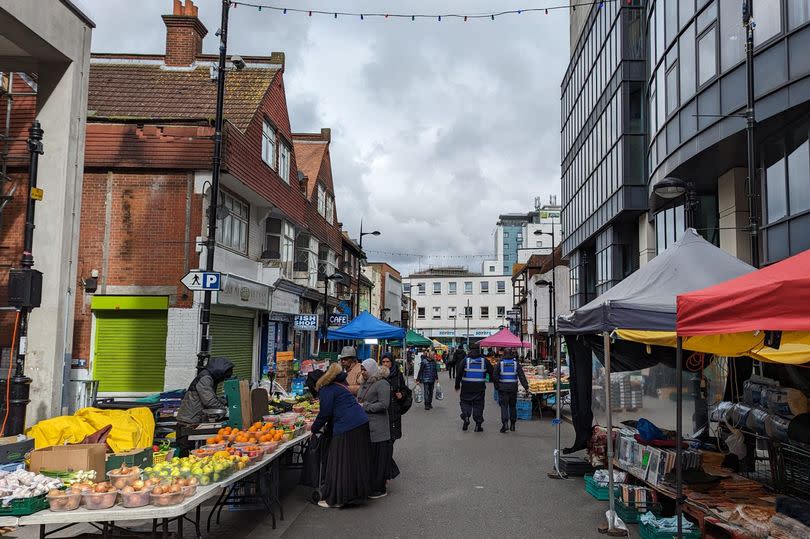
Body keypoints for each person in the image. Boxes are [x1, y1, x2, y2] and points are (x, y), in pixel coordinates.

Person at [312, 362, 372, 508]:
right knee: (355, 461)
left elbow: (325, 412)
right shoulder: (340, 386)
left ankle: (338, 498)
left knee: (339, 461)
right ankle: (356, 494)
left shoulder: (326, 389)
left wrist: (314, 428)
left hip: (347, 426)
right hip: (361, 422)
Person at [176, 357, 234, 456]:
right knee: (186, 454)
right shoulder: (205, 378)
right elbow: (209, 400)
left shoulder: (208, 377)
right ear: (219, 372)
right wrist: (225, 410)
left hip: (193, 420)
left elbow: (211, 397)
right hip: (188, 421)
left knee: (193, 453)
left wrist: (223, 401)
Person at [357, 359, 397, 498]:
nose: (363, 372)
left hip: (379, 429)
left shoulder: (382, 383)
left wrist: (366, 406)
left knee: (378, 460)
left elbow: (384, 404)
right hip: (366, 427)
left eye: (365, 369)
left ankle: (379, 488)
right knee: (370, 459)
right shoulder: (364, 383)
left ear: (372, 369)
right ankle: (371, 485)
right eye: (361, 369)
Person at [455, 343, 492, 432]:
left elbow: (459, 373)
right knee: (478, 405)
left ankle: (466, 416)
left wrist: (457, 385)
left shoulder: (465, 360)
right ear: (479, 350)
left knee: (465, 402)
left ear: (470, 350)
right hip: (479, 387)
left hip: (466, 386)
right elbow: (492, 372)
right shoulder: (484, 360)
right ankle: (478, 425)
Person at [492, 349, 530, 433]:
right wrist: (526, 387)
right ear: (512, 354)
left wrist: (497, 386)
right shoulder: (516, 364)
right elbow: (522, 376)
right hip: (513, 388)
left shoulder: (500, 363)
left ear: (504, 354)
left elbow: (494, 375)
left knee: (504, 406)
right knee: (512, 406)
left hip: (503, 388)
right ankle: (513, 425)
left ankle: (505, 424)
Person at [382, 353, 405, 443]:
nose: (385, 364)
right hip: (383, 409)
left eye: (387, 361)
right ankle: (387, 456)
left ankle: (388, 455)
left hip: (395, 409)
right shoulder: (379, 375)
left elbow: (404, 388)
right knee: (384, 435)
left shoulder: (398, 374)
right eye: (383, 362)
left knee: (393, 435)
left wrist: (402, 394)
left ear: (391, 362)